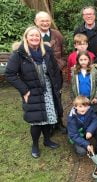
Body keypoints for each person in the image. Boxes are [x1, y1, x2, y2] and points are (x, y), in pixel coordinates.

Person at [5, 26, 63, 158]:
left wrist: (57, 86)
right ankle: (35, 145)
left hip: (48, 90)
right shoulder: (19, 54)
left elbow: (54, 69)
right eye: (31, 35)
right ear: (26, 37)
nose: (35, 38)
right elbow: (10, 74)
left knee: (48, 117)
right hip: (32, 91)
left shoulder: (46, 50)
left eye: (37, 35)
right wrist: (24, 90)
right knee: (36, 120)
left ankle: (47, 140)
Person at [34, 11, 66, 133]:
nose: (45, 23)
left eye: (47, 20)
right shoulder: (33, 35)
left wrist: (61, 65)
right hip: (40, 73)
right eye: (42, 20)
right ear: (36, 22)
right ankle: (48, 124)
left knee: (57, 96)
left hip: (56, 72)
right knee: (45, 99)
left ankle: (59, 122)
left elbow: (64, 52)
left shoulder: (57, 34)